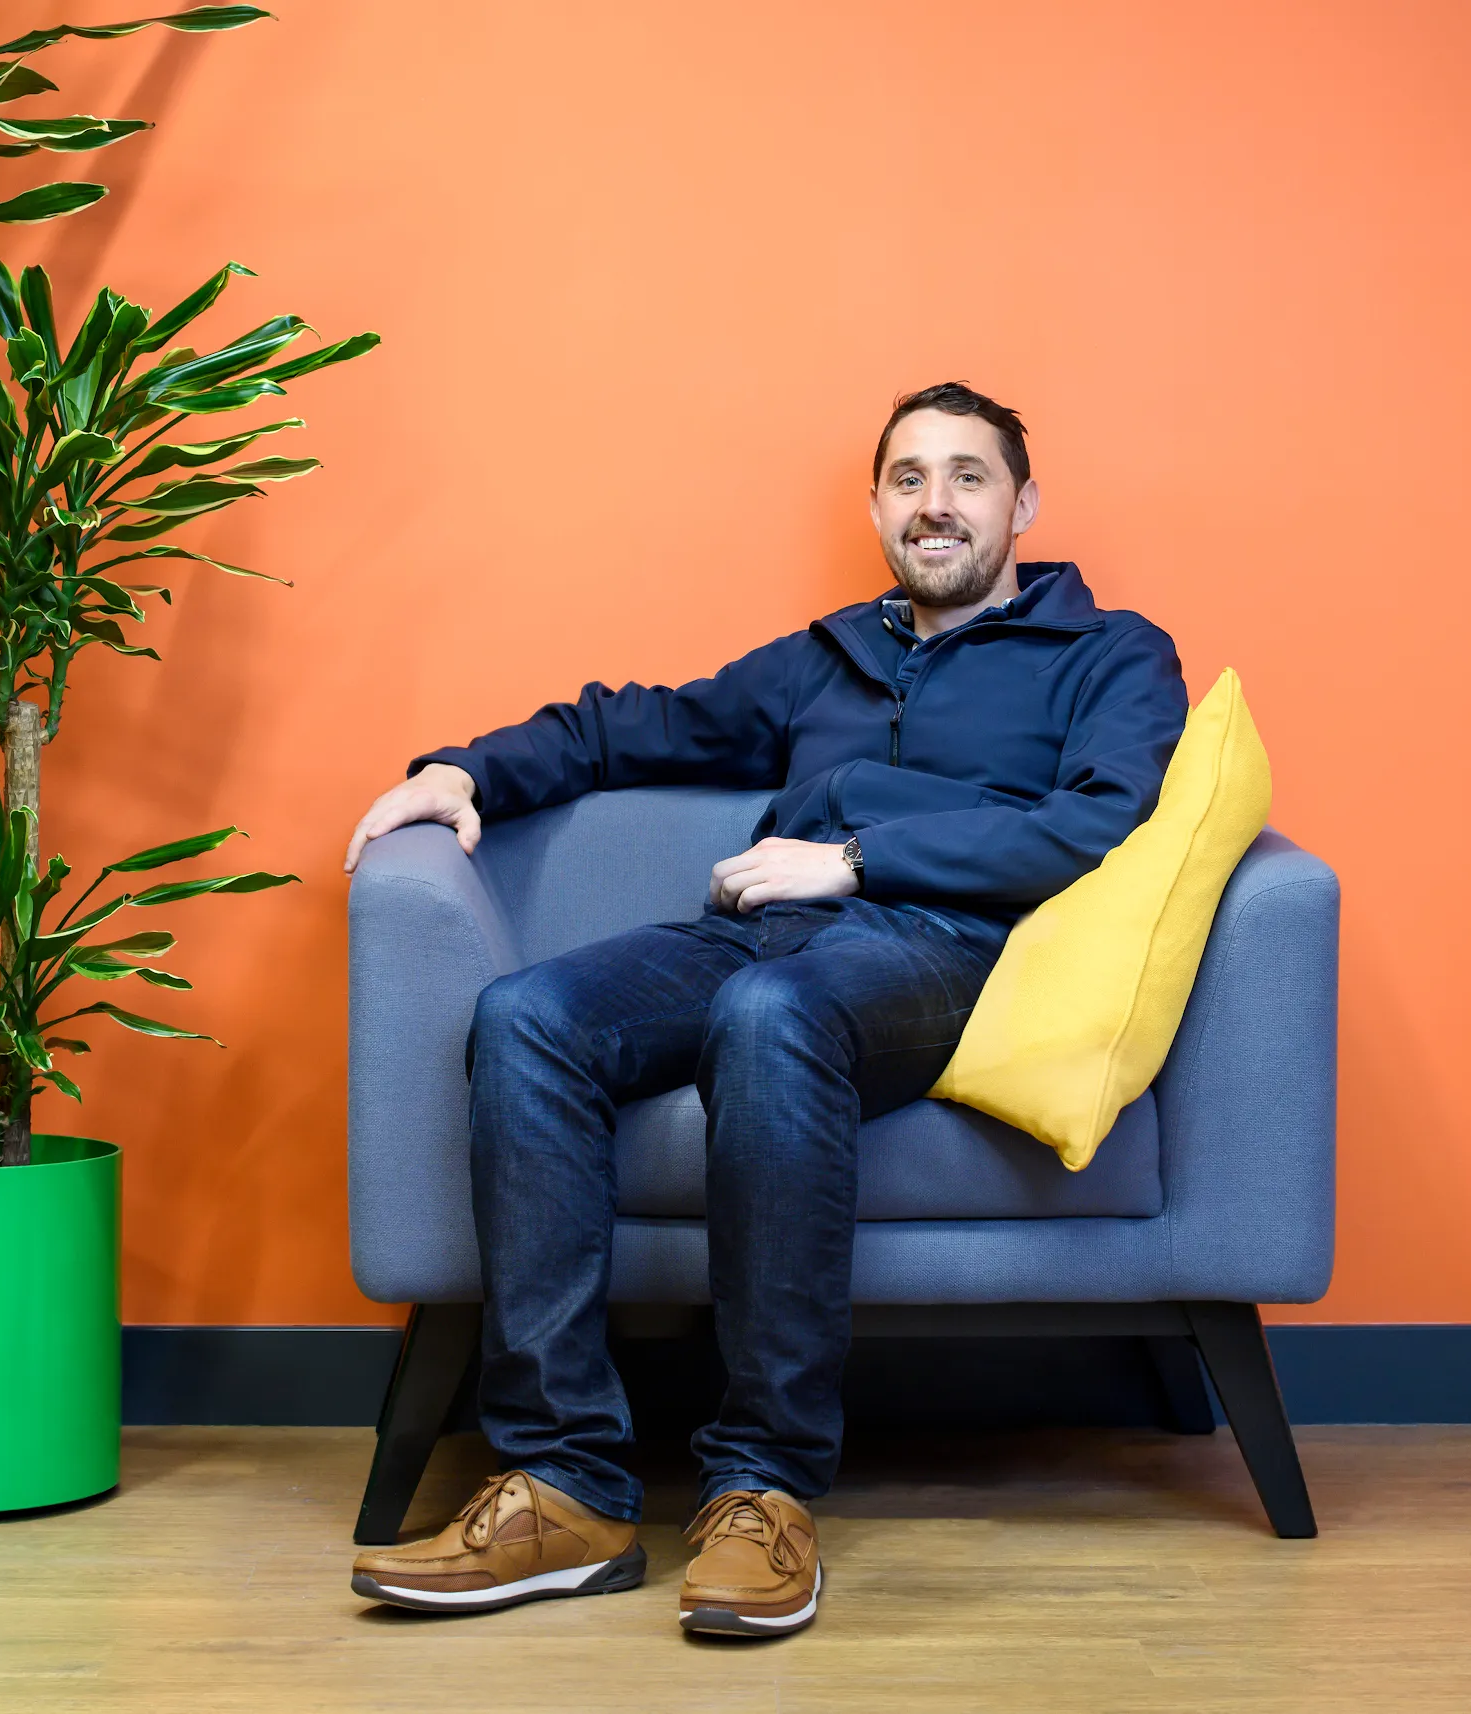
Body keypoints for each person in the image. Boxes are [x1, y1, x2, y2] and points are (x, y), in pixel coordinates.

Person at [339, 382, 1188, 1637]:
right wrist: (464, 768)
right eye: (909, 478)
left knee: (770, 1015)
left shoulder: (1111, 653)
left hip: (943, 948)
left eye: (968, 476)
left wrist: (853, 861)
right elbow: (635, 724)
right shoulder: (827, 657)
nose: (936, 503)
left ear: (1023, 505)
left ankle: (763, 1485)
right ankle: (565, 1483)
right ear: (876, 506)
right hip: (757, 930)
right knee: (528, 1016)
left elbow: (1099, 826)